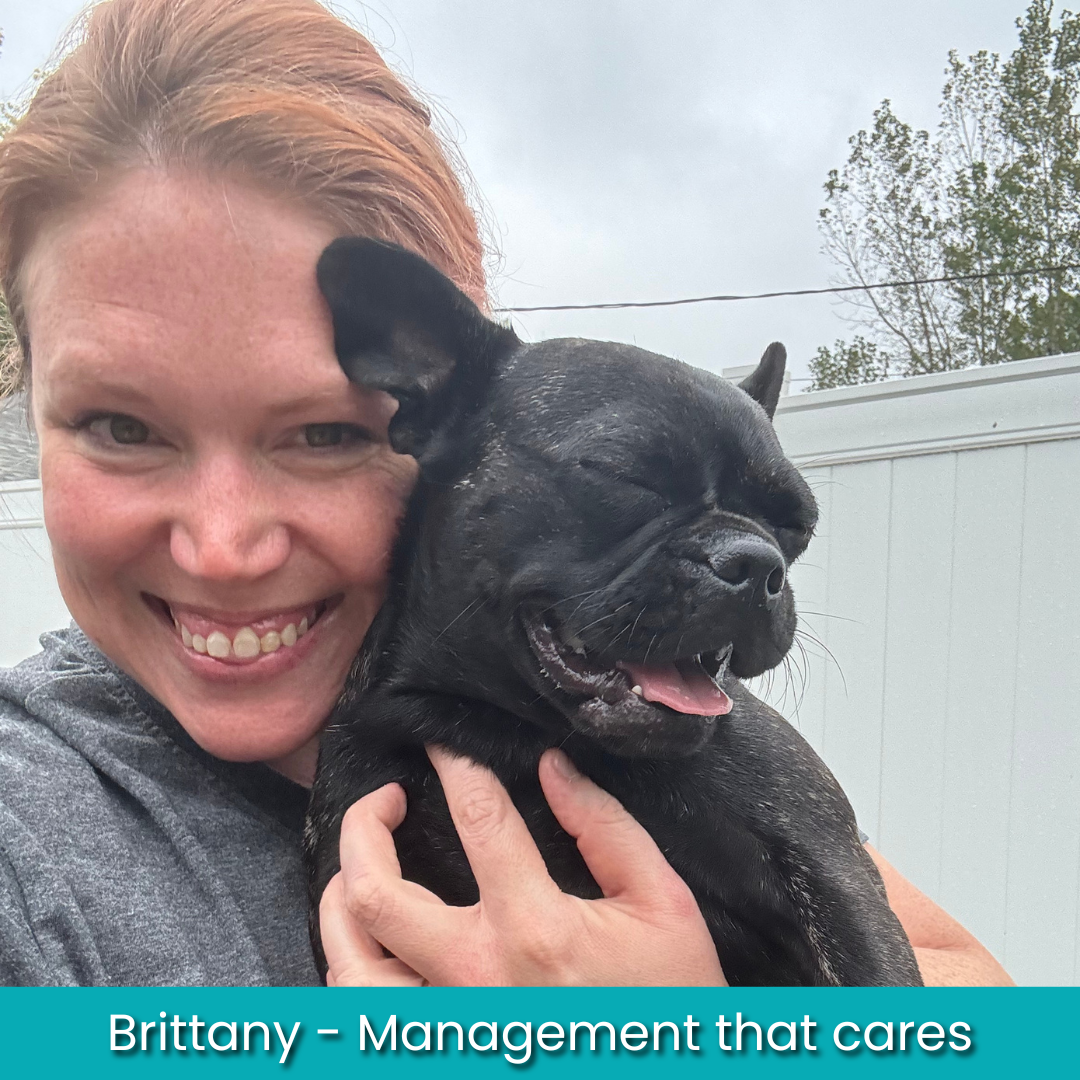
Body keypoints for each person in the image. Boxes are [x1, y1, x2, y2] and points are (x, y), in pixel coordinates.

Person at [0, 0, 1011, 987]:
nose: (222, 547)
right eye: (120, 428)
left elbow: (988, 1014)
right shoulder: (31, 850)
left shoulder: (651, 702)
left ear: (439, 402)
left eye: (326, 434)